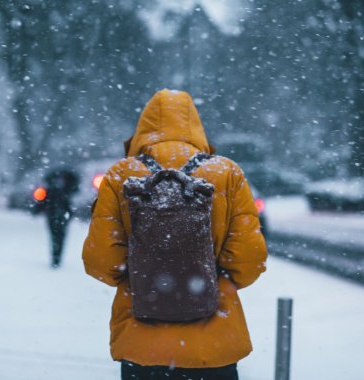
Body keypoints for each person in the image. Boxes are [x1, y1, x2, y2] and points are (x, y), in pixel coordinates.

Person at [82, 89, 267, 379]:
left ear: (143, 128)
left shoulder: (121, 175)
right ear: (195, 126)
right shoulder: (227, 173)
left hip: (141, 347)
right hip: (214, 347)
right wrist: (206, 280)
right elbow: (249, 260)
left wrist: (144, 276)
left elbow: (100, 261)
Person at [34, 168, 79, 268]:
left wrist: (37, 209)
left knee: (56, 236)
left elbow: (43, 200)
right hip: (59, 214)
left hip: (55, 214)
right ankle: (56, 258)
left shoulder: (54, 187)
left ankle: (56, 257)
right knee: (59, 236)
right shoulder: (66, 188)